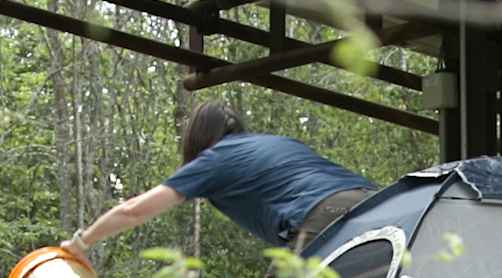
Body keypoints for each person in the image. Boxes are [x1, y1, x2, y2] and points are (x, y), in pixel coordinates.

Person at [63, 101, 375, 265]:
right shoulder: (275, 142)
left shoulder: (214, 159)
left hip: (323, 215)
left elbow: (134, 211)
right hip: (377, 205)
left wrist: (81, 243)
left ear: (197, 140)